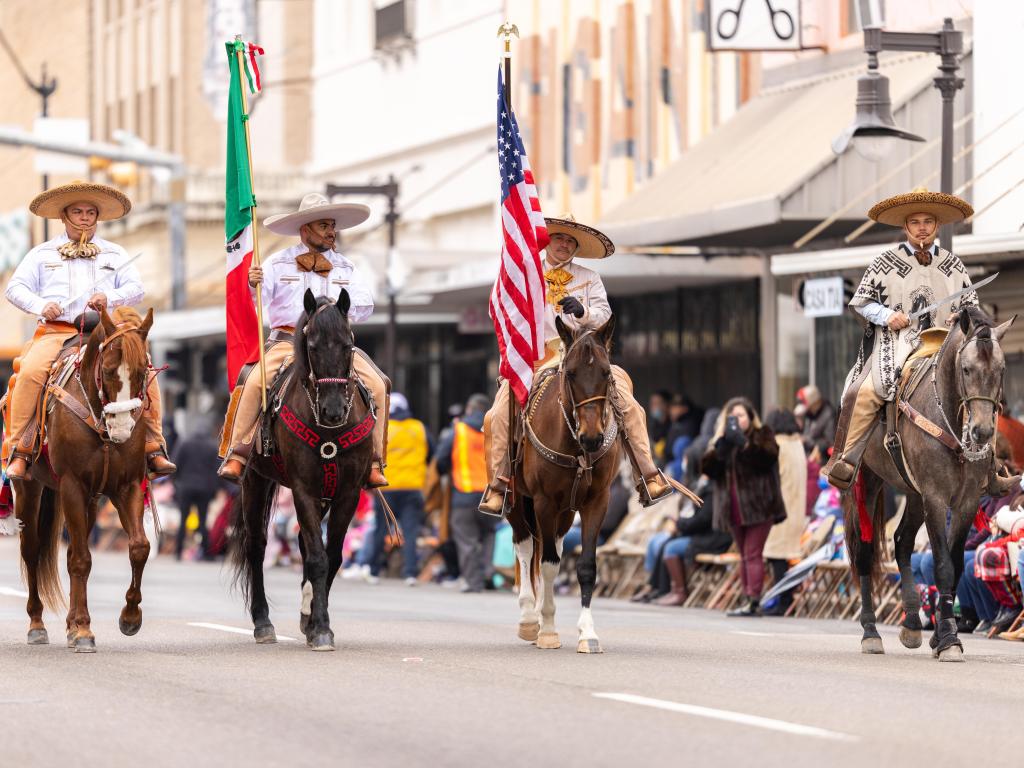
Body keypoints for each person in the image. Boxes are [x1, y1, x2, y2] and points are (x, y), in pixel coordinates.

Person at [480, 214, 673, 515]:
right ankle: (498, 485)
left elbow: (605, 316)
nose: (565, 245)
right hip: (537, 358)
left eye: (571, 241)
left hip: (583, 358)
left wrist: (583, 312)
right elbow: (502, 310)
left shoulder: (589, 277)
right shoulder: (524, 274)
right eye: (560, 238)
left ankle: (647, 475)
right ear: (548, 241)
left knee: (629, 403)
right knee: (496, 416)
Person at [823, 188, 1011, 494]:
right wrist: (886, 315)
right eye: (915, 221)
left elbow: (973, 306)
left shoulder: (953, 264)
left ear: (937, 226)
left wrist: (960, 316)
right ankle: (847, 457)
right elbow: (860, 303)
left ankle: (989, 469)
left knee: (982, 387)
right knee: (866, 389)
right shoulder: (885, 261)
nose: (922, 226)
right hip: (899, 342)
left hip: (947, 343)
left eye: (928, 221)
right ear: (905, 227)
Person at [3, 180, 175, 479]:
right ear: (64, 216)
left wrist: (111, 298)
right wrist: (42, 305)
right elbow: (15, 289)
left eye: (90, 212)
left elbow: (136, 288)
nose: (85, 217)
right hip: (58, 332)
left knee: (144, 369)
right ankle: (21, 448)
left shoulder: (115, 253)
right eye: (78, 211)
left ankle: (153, 444)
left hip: (106, 332)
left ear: (97, 217)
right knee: (30, 372)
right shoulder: (42, 253)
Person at [218, 193, 390, 487]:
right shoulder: (276, 263)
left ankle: (375, 460)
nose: (330, 231)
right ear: (305, 229)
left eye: (332, 225)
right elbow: (257, 301)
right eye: (323, 225)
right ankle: (238, 451)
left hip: (334, 343)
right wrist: (251, 284)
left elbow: (365, 306)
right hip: (287, 340)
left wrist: (332, 314)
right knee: (254, 380)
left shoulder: (347, 267)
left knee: (379, 384)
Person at [701, 397, 786, 617]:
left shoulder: (762, 435)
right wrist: (721, 448)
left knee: (752, 553)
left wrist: (745, 444)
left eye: (741, 415)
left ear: (750, 417)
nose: (737, 420)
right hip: (733, 508)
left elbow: (769, 457)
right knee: (743, 554)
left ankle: (753, 600)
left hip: (760, 507)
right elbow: (709, 470)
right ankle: (747, 598)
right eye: (733, 416)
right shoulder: (723, 440)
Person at [437, 393, 495, 592]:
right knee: (489, 535)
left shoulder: (458, 430)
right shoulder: (494, 430)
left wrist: (449, 473)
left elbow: (441, 459)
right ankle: (487, 574)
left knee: (466, 540)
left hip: (464, 493)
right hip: (490, 494)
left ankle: (473, 582)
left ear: (469, 409)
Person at [380, 393, 432, 585]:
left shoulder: (385, 428)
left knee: (380, 529)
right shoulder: (419, 428)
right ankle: (410, 572)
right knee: (410, 532)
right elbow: (432, 453)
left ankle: (372, 569)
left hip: (387, 487)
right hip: (413, 486)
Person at [761, 409, 808, 616]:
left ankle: (784, 600)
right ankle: (786, 599)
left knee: (777, 555)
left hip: (779, 508)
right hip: (796, 508)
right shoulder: (798, 444)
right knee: (787, 554)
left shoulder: (777, 446)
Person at [171, 419, 222, 560]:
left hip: (185, 487)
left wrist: (176, 483)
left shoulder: (185, 443)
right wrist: (214, 490)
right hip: (204, 488)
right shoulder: (213, 447)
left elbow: (175, 464)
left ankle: (178, 551)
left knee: (183, 520)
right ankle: (206, 552)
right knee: (202, 520)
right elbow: (217, 471)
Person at [795, 385, 835, 463]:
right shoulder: (809, 413)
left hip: (822, 460)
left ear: (815, 402)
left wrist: (806, 440)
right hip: (807, 456)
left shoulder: (829, 414)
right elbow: (806, 432)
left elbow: (829, 441)